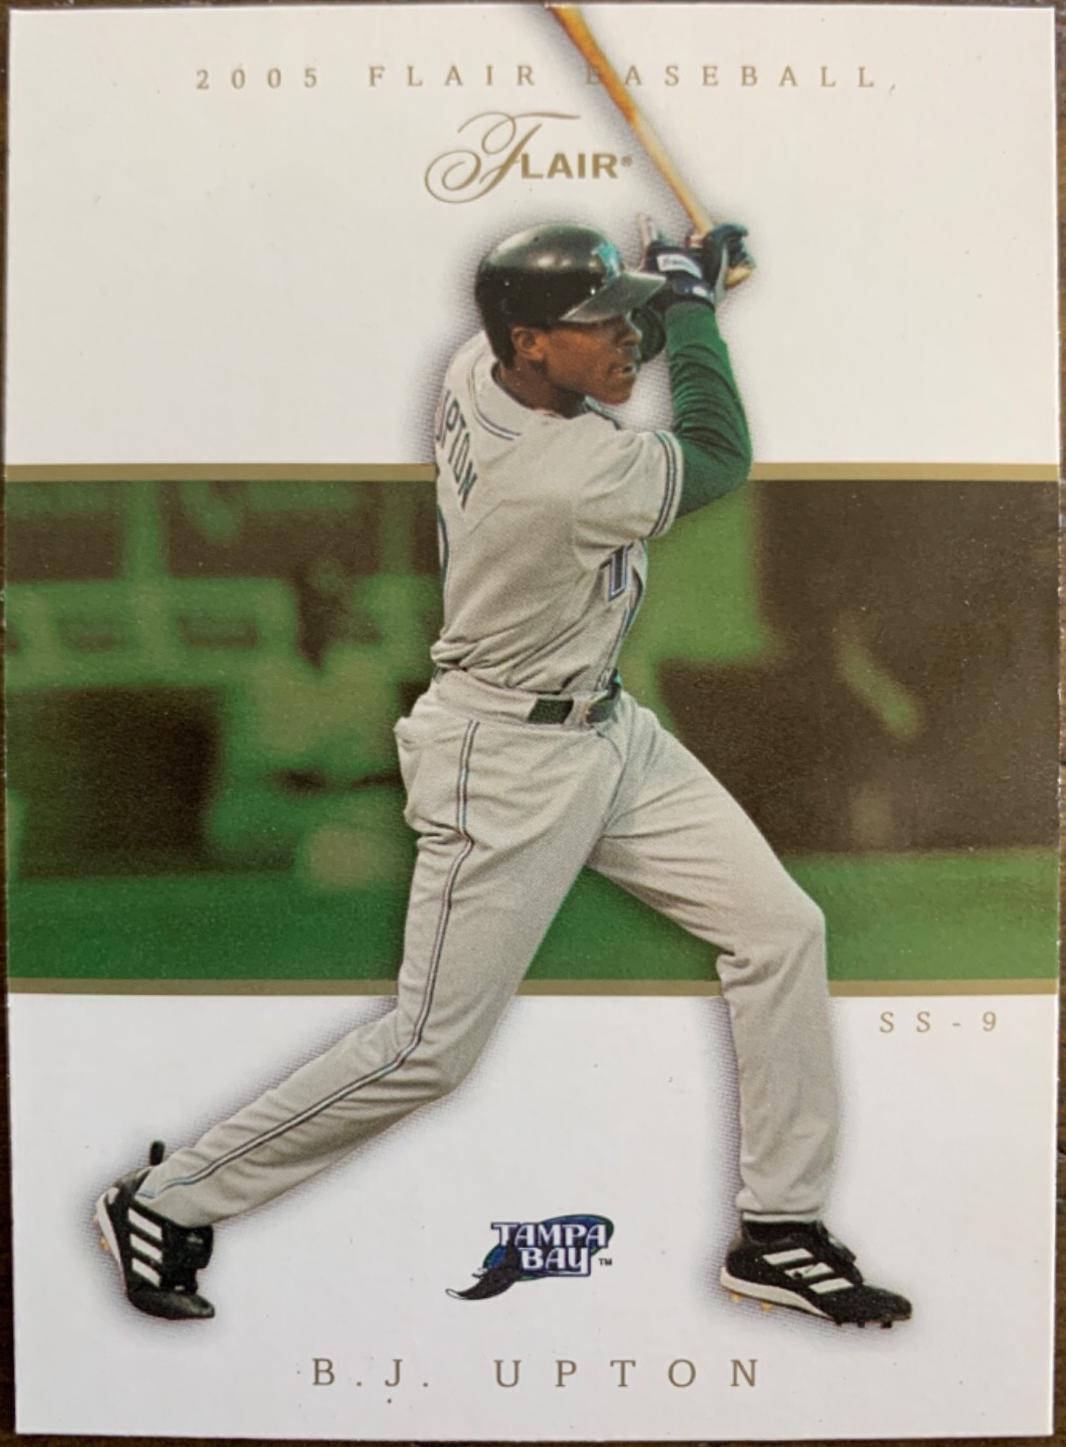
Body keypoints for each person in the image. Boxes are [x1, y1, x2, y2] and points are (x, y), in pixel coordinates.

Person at [94, 219, 911, 1330]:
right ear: (527, 343)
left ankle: (779, 1227)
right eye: (601, 324)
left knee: (780, 930)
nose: (625, 339)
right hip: (506, 759)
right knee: (429, 1049)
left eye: (627, 317)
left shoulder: (474, 368)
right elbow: (721, 453)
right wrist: (692, 307)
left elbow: (604, 355)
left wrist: (677, 292)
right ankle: (167, 1197)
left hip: (608, 730)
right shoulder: (561, 476)